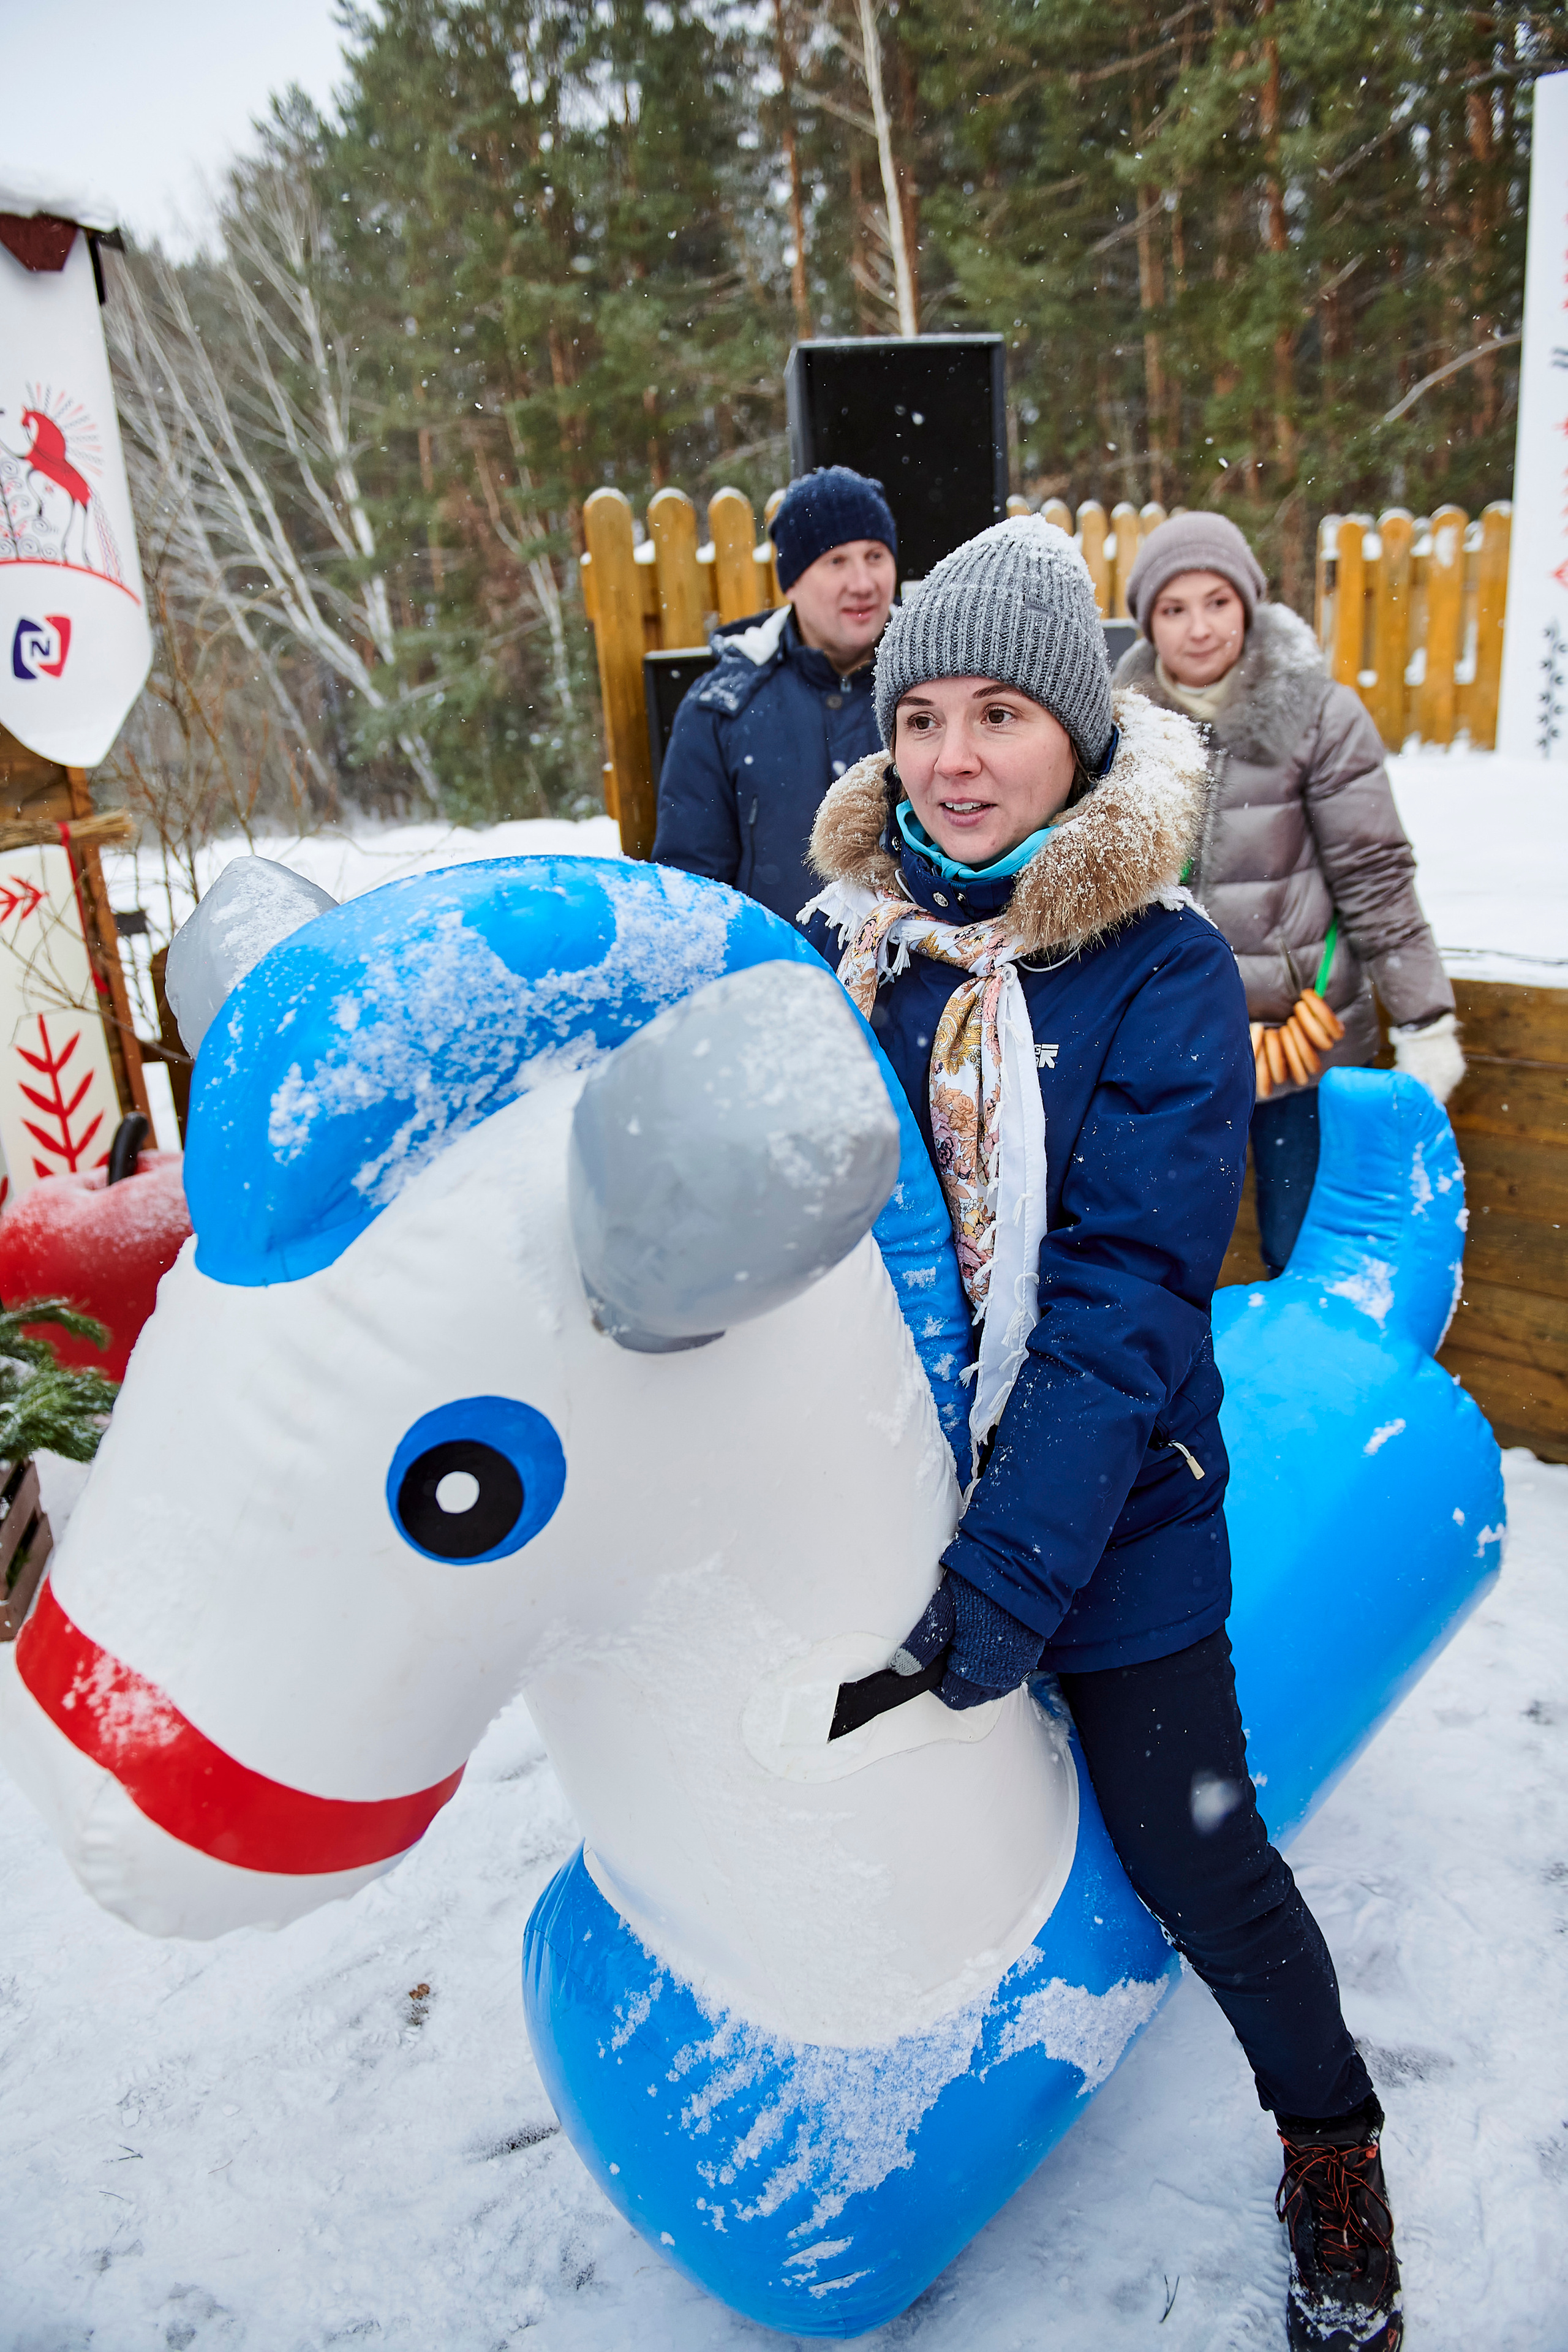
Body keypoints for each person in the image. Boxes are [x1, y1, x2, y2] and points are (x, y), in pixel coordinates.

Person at [802, 514, 1403, 2352]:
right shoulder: (857, 958)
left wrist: (1006, 1567)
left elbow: (1125, 1305)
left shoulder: (1153, 973)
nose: (953, 760)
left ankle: (1330, 2140)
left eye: (997, 714)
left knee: (1192, 1842)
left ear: (1077, 733)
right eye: (918, 719)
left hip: (1117, 1506)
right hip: (879, 1499)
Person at [1116, 510, 1461, 1276]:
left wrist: (1424, 1015)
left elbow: (1373, 872)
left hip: (1299, 1038)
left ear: (1248, 603)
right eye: (1174, 609)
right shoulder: (1120, 726)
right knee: (1155, 1256)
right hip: (1173, 1041)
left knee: (1302, 1250)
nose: (1199, 629)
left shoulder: (1318, 715)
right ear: (1147, 622)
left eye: (1217, 602)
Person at [652, 466, 896, 925]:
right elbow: (691, 894)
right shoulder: (722, 710)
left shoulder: (938, 688)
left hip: (917, 988)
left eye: (875, 555)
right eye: (836, 561)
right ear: (792, 581)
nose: (863, 582)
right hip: (775, 985)